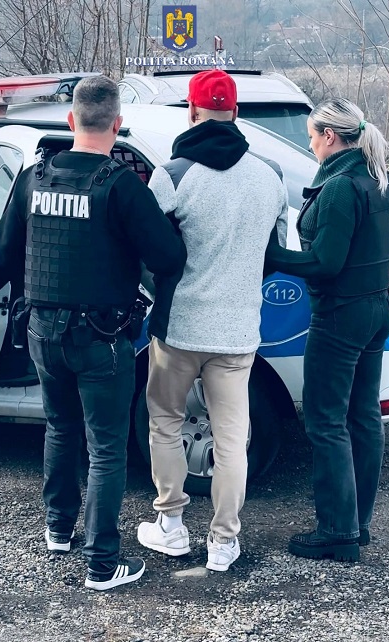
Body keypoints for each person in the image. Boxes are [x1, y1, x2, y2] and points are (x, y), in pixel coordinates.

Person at [0, 76, 187, 590]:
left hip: (42, 333)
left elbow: (2, 254)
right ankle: (102, 564)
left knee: (60, 429)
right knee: (105, 449)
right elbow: (168, 257)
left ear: (71, 120)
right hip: (101, 340)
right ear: (117, 124)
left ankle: (59, 530)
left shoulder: (33, 178)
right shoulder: (121, 187)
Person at [136, 69, 288, 571]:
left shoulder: (172, 175)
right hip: (238, 332)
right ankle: (224, 541)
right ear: (235, 113)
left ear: (192, 112)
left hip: (178, 328)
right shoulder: (270, 176)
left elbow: (149, 249)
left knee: (165, 423)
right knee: (231, 439)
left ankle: (171, 524)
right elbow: (273, 252)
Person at [265, 98, 389, 562]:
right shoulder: (377, 177)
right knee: (363, 416)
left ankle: (337, 531)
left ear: (330, 136)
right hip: (376, 310)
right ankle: (357, 524)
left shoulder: (340, 187)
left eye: (312, 136)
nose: (310, 145)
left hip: (340, 316)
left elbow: (325, 262)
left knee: (325, 420)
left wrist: (271, 254)